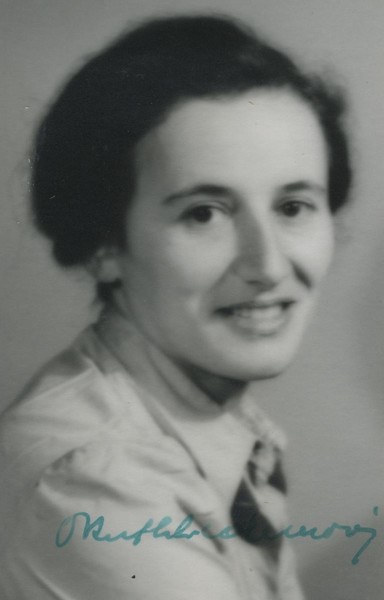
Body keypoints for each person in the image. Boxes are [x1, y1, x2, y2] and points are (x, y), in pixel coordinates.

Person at [0, 14, 351, 600]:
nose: (267, 265)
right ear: (104, 244)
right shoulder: (97, 481)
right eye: (204, 213)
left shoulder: (205, 427)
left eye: (293, 207)